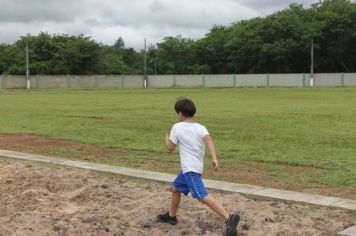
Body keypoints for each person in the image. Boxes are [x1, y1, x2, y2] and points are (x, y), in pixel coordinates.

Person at [157, 98, 240, 236]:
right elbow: (209, 140)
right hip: (193, 167)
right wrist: (214, 158)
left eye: (178, 113)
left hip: (190, 170)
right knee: (176, 188)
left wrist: (166, 140)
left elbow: (170, 148)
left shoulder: (177, 127)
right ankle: (172, 216)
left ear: (181, 113)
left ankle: (228, 217)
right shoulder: (201, 127)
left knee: (201, 196)